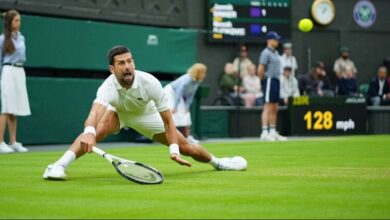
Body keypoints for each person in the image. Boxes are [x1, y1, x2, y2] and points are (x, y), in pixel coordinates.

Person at [43, 46, 247, 180]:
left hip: (146, 115)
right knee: (98, 129)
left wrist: (174, 150)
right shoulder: (107, 88)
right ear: (112, 69)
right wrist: (89, 130)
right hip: (119, 112)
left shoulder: (150, 83)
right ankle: (57, 166)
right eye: (121, 63)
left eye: (129, 61)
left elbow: (168, 122)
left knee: (187, 147)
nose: (127, 66)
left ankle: (218, 162)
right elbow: (95, 113)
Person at [0, 10, 30, 154]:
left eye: (19, 20)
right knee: (6, 108)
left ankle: (13, 142)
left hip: (19, 72)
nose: (19, 23)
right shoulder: (1, 39)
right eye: (16, 20)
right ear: (10, 22)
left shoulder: (21, 38)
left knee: (15, 109)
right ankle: (0, 142)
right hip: (8, 72)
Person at [163, 63, 207, 144]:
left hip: (177, 95)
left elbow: (190, 95)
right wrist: (175, 106)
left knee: (186, 113)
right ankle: (171, 137)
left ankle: (187, 137)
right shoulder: (187, 79)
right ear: (198, 72)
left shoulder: (197, 81)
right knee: (172, 113)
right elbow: (179, 92)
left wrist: (187, 107)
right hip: (170, 92)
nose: (204, 74)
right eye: (203, 72)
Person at [257, 31, 287, 141]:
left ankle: (273, 131)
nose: (277, 41)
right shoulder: (265, 52)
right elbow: (260, 68)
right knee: (268, 106)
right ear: (269, 40)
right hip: (269, 80)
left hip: (276, 80)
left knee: (275, 107)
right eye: (275, 39)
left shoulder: (276, 53)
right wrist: (262, 81)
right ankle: (264, 132)